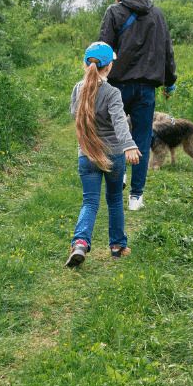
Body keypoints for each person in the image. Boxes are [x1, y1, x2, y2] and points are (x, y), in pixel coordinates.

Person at [98, 0, 177, 211]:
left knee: (115, 134)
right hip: (146, 89)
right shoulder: (158, 15)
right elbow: (167, 51)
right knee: (141, 140)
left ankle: (120, 176)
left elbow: (103, 51)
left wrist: (97, 81)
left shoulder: (114, 13)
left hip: (117, 87)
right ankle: (136, 197)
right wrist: (170, 81)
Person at [67, 41, 141, 267]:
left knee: (89, 202)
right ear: (109, 67)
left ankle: (80, 243)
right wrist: (129, 145)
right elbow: (120, 122)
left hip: (87, 154)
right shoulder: (112, 93)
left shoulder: (78, 89)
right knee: (115, 199)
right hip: (113, 154)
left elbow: (74, 114)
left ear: (84, 63)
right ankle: (118, 245)